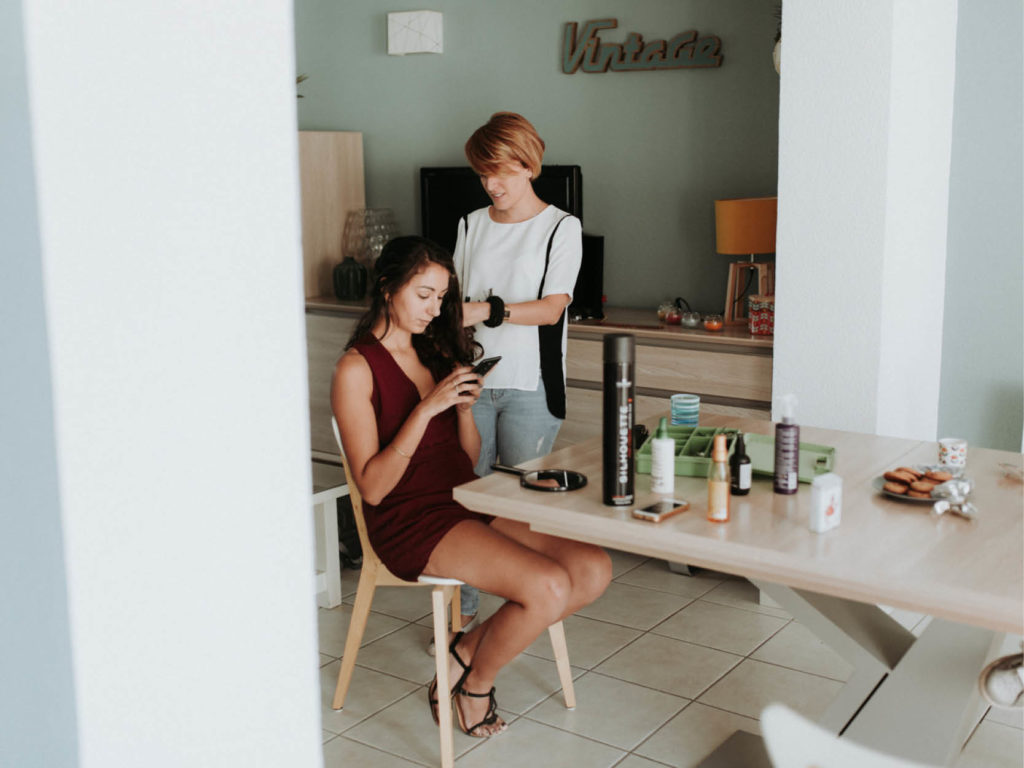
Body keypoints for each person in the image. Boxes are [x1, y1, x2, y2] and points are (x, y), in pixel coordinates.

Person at [331, 236, 610, 737]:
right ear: (387, 287)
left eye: (441, 298)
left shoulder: (432, 350)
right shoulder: (356, 368)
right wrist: (427, 408)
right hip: (410, 519)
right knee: (548, 586)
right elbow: (372, 489)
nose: (434, 309)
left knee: (592, 569)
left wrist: (461, 408)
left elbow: (464, 456)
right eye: (424, 295)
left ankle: (462, 650)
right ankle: (473, 684)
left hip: (463, 497)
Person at [449, 111, 584, 635]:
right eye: (484, 173)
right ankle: (462, 612)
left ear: (530, 165)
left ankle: (522, 607)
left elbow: (552, 308)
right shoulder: (470, 224)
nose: (492, 184)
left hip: (532, 385)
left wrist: (486, 310)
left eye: (502, 170)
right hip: (472, 381)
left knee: (523, 508)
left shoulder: (560, 227)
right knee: (468, 497)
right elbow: (453, 297)